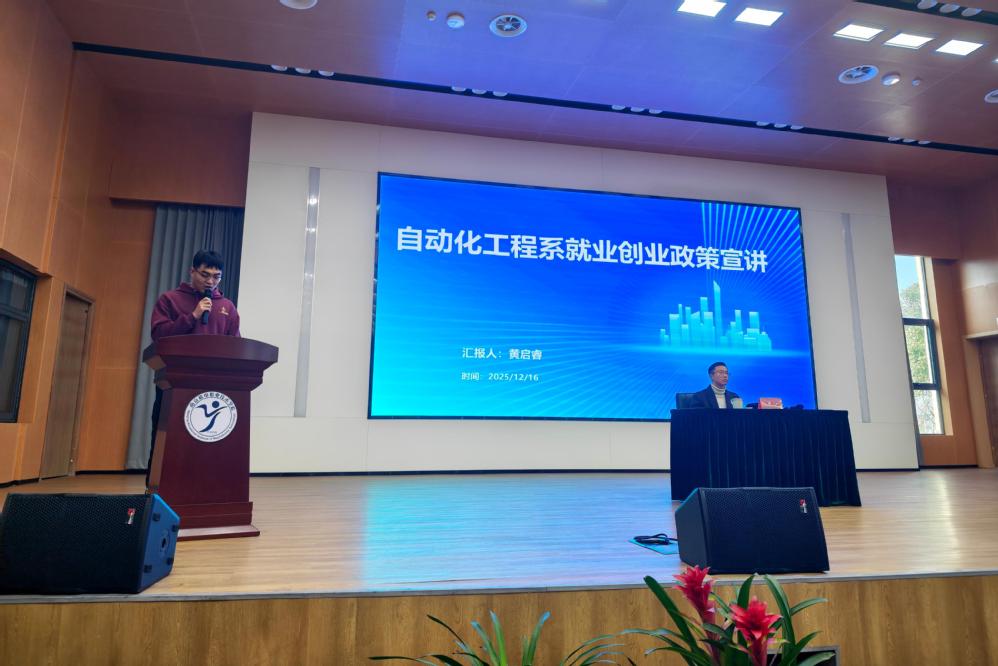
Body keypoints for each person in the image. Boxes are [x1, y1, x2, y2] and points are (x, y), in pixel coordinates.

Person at [147, 250, 240, 485]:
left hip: (214, 387)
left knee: (208, 441)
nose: (210, 281)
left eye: (216, 277)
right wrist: (193, 316)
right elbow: (159, 336)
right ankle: (157, 491)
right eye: (205, 274)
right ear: (192, 271)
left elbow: (235, 346)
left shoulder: (227, 307)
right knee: (167, 440)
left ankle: (204, 489)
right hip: (174, 384)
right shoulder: (170, 300)